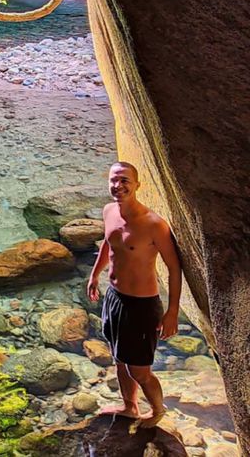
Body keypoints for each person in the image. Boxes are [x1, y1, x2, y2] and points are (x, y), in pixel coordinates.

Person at [86, 161, 182, 428]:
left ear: (137, 185)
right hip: (115, 297)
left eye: (125, 180)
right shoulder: (108, 211)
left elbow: (174, 268)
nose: (119, 186)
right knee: (119, 357)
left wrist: (172, 311)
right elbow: (109, 242)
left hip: (141, 305)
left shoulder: (154, 224)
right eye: (114, 180)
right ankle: (130, 406)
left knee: (139, 370)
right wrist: (95, 275)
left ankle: (158, 410)